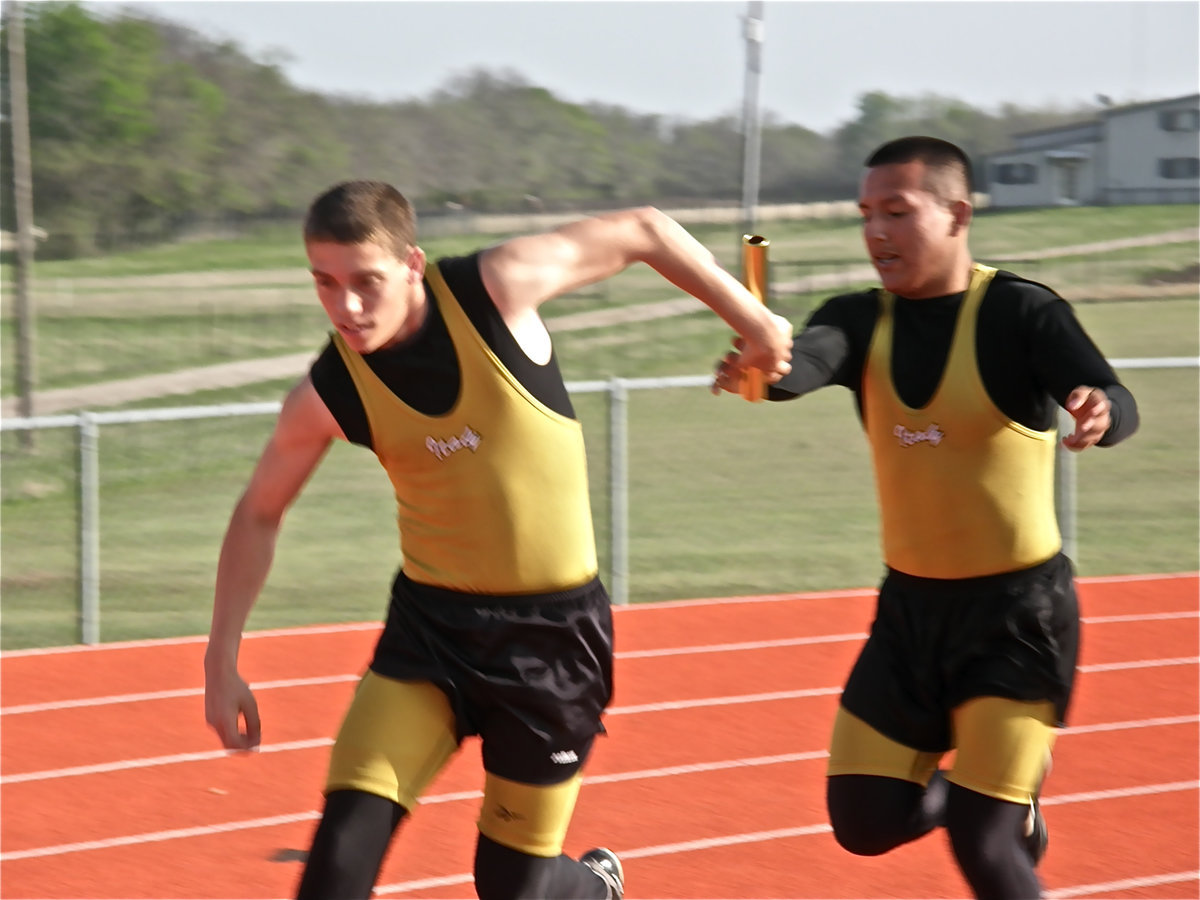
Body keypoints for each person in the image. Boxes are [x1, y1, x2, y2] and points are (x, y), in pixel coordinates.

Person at [203, 181, 793, 900]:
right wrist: (221, 656)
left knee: (512, 885)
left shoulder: (494, 291)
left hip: (551, 642)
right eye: (325, 284)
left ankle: (596, 889)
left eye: (367, 282)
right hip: (431, 636)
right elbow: (259, 511)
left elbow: (643, 230)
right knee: (334, 872)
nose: (347, 308)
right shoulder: (330, 391)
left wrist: (756, 321)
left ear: (413, 265)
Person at [712, 136, 1139, 899]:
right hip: (911, 614)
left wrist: (1101, 407)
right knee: (864, 821)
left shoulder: (1019, 311)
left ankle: (998, 805)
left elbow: (1115, 395)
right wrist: (763, 364)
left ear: (957, 214)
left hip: (1018, 616)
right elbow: (803, 363)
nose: (876, 231)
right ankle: (996, 796)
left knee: (984, 843)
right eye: (866, 214)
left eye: (897, 212)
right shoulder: (857, 317)